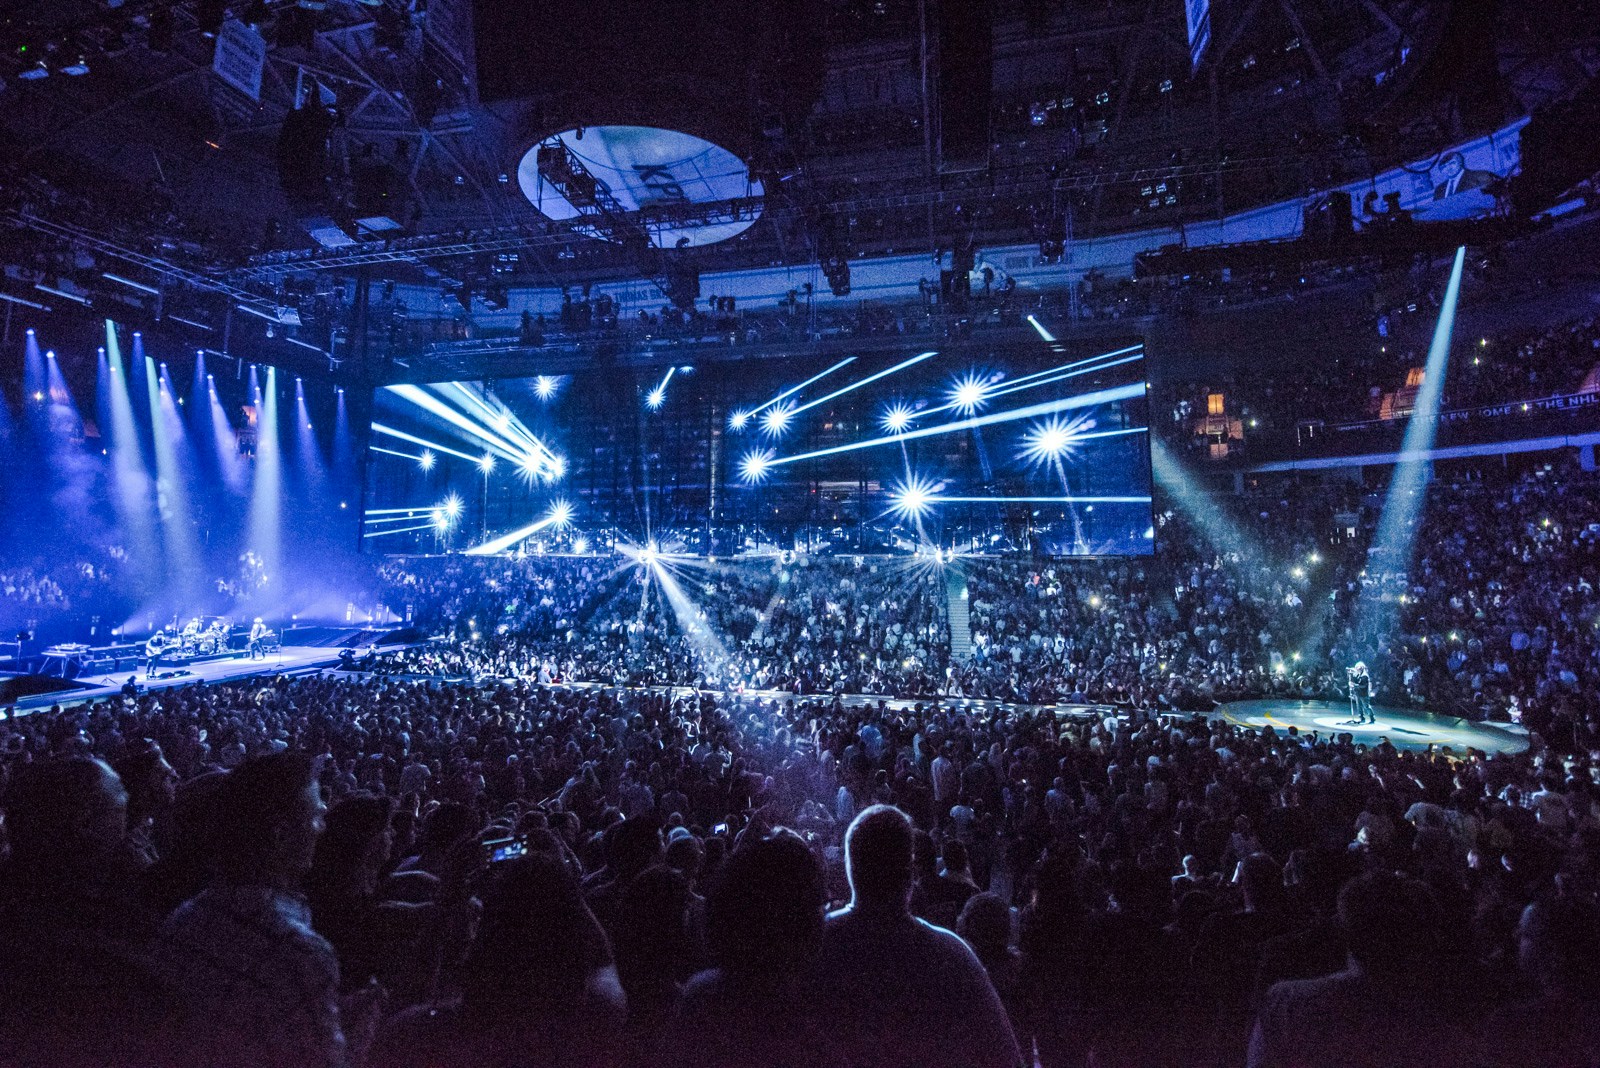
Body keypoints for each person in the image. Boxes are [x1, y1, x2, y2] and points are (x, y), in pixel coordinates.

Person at [156, 751, 359, 1068]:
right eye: (316, 817)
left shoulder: (181, 919)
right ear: (279, 835)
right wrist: (361, 1039)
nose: (322, 829)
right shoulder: (299, 954)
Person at [815, 805, 1020, 1068]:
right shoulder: (952, 954)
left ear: (849, 866)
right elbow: (1003, 1055)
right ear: (911, 873)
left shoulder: (813, 945)